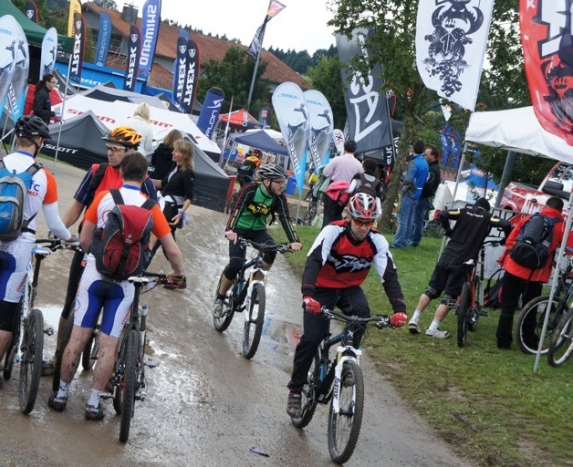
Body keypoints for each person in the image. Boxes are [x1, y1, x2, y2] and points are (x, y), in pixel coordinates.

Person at [48, 152, 186, 419]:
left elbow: (86, 237)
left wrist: (95, 257)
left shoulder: (104, 198)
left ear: (121, 173)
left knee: (78, 337)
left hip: (94, 276)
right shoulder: (151, 207)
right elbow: (171, 249)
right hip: (124, 283)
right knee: (109, 344)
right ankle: (93, 402)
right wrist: (178, 273)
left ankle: (61, 394)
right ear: (145, 177)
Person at [0, 116, 75, 389]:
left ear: (17, 139)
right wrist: (70, 238)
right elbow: (55, 224)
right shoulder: (45, 177)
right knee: (6, 314)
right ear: (39, 142)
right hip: (19, 249)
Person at [48, 126, 159, 374]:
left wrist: (146, 255)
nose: (110, 153)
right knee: (70, 304)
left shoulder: (146, 184)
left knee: (122, 313)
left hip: (127, 256)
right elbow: (77, 207)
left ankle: (113, 367)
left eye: (116, 149)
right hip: (91, 249)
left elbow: (152, 226)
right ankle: (59, 357)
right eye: (108, 148)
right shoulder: (97, 172)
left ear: (131, 152)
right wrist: (59, 230)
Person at [286, 193, 408, 418]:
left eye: (369, 222)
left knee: (362, 314)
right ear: (349, 218)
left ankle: (348, 362)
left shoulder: (377, 240)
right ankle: (295, 388)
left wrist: (399, 309)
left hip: (349, 289)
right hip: (322, 288)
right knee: (313, 338)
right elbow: (313, 260)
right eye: (359, 221)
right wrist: (308, 296)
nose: (363, 227)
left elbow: (389, 275)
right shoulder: (333, 231)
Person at [408, 198, 511, 338]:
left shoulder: (463, 211)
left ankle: (414, 319)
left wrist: (449, 230)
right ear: (487, 210)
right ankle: (432, 329)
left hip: (447, 254)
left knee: (432, 289)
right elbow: (505, 223)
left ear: (475, 206)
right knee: (450, 295)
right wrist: (505, 239)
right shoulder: (488, 216)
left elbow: (443, 214)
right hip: (463, 260)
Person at [214, 164, 302, 317]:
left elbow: (285, 219)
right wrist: (230, 230)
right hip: (239, 229)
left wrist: (294, 240)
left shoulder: (279, 198)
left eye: (284, 182)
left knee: (271, 250)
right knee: (236, 264)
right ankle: (220, 298)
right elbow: (237, 209)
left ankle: (255, 286)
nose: (283, 185)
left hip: (258, 231)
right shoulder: (250, 189)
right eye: (279, 182)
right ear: (267, 181)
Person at [496, 197, 565, 349]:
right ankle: (528, 340)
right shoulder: (561, 227)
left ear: (546, 206)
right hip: (536, 274)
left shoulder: (529, 218)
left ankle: (503, 340)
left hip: (514, 268)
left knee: (508, 305)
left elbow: (510, 240)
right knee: (531, 307)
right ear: (561, 211)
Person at [151, 138, 195, 250]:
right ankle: (178, 267)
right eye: (174, 150)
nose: (173, 153)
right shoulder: (174, 167)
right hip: (165, 206)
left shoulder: (187, 173)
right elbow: (162, 184)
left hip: (171, 210)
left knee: (157, 236)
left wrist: (181, 213)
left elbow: (190, 197)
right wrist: (145, 179)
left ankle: (144, 261)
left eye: (176, 151)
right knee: (167, 242)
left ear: (185, 155)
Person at [392, 141, 429, 249]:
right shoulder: (425, 163)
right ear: (423, 151)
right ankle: (404, 242)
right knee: (409, 219)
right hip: (418, 193)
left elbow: (408, 179)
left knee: (402, 219)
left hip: (409, 192)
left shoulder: (414, 163)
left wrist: (402, 187)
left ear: (413, 149)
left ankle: (398, 243)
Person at [321, 139, 363, 226]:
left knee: (328, 216)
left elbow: (325, 172)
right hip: (346, 194)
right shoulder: (359, 165)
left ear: (344, 148)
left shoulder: (337, 160)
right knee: (338, 215)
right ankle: (336, 234)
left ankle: (325, 234)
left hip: (332, 191)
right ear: (355, 150)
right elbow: (361, 179)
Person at [409, 147, 441, 247]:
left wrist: (418, 187)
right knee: (417, 219)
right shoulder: (431, 167)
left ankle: (414, 241)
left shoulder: (432, 170)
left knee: (417, 220)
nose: (424, 156)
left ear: (433, 157)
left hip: (423, 197)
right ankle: (412, 239)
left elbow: (428, 184)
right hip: (424, 196)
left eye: (426, 154)